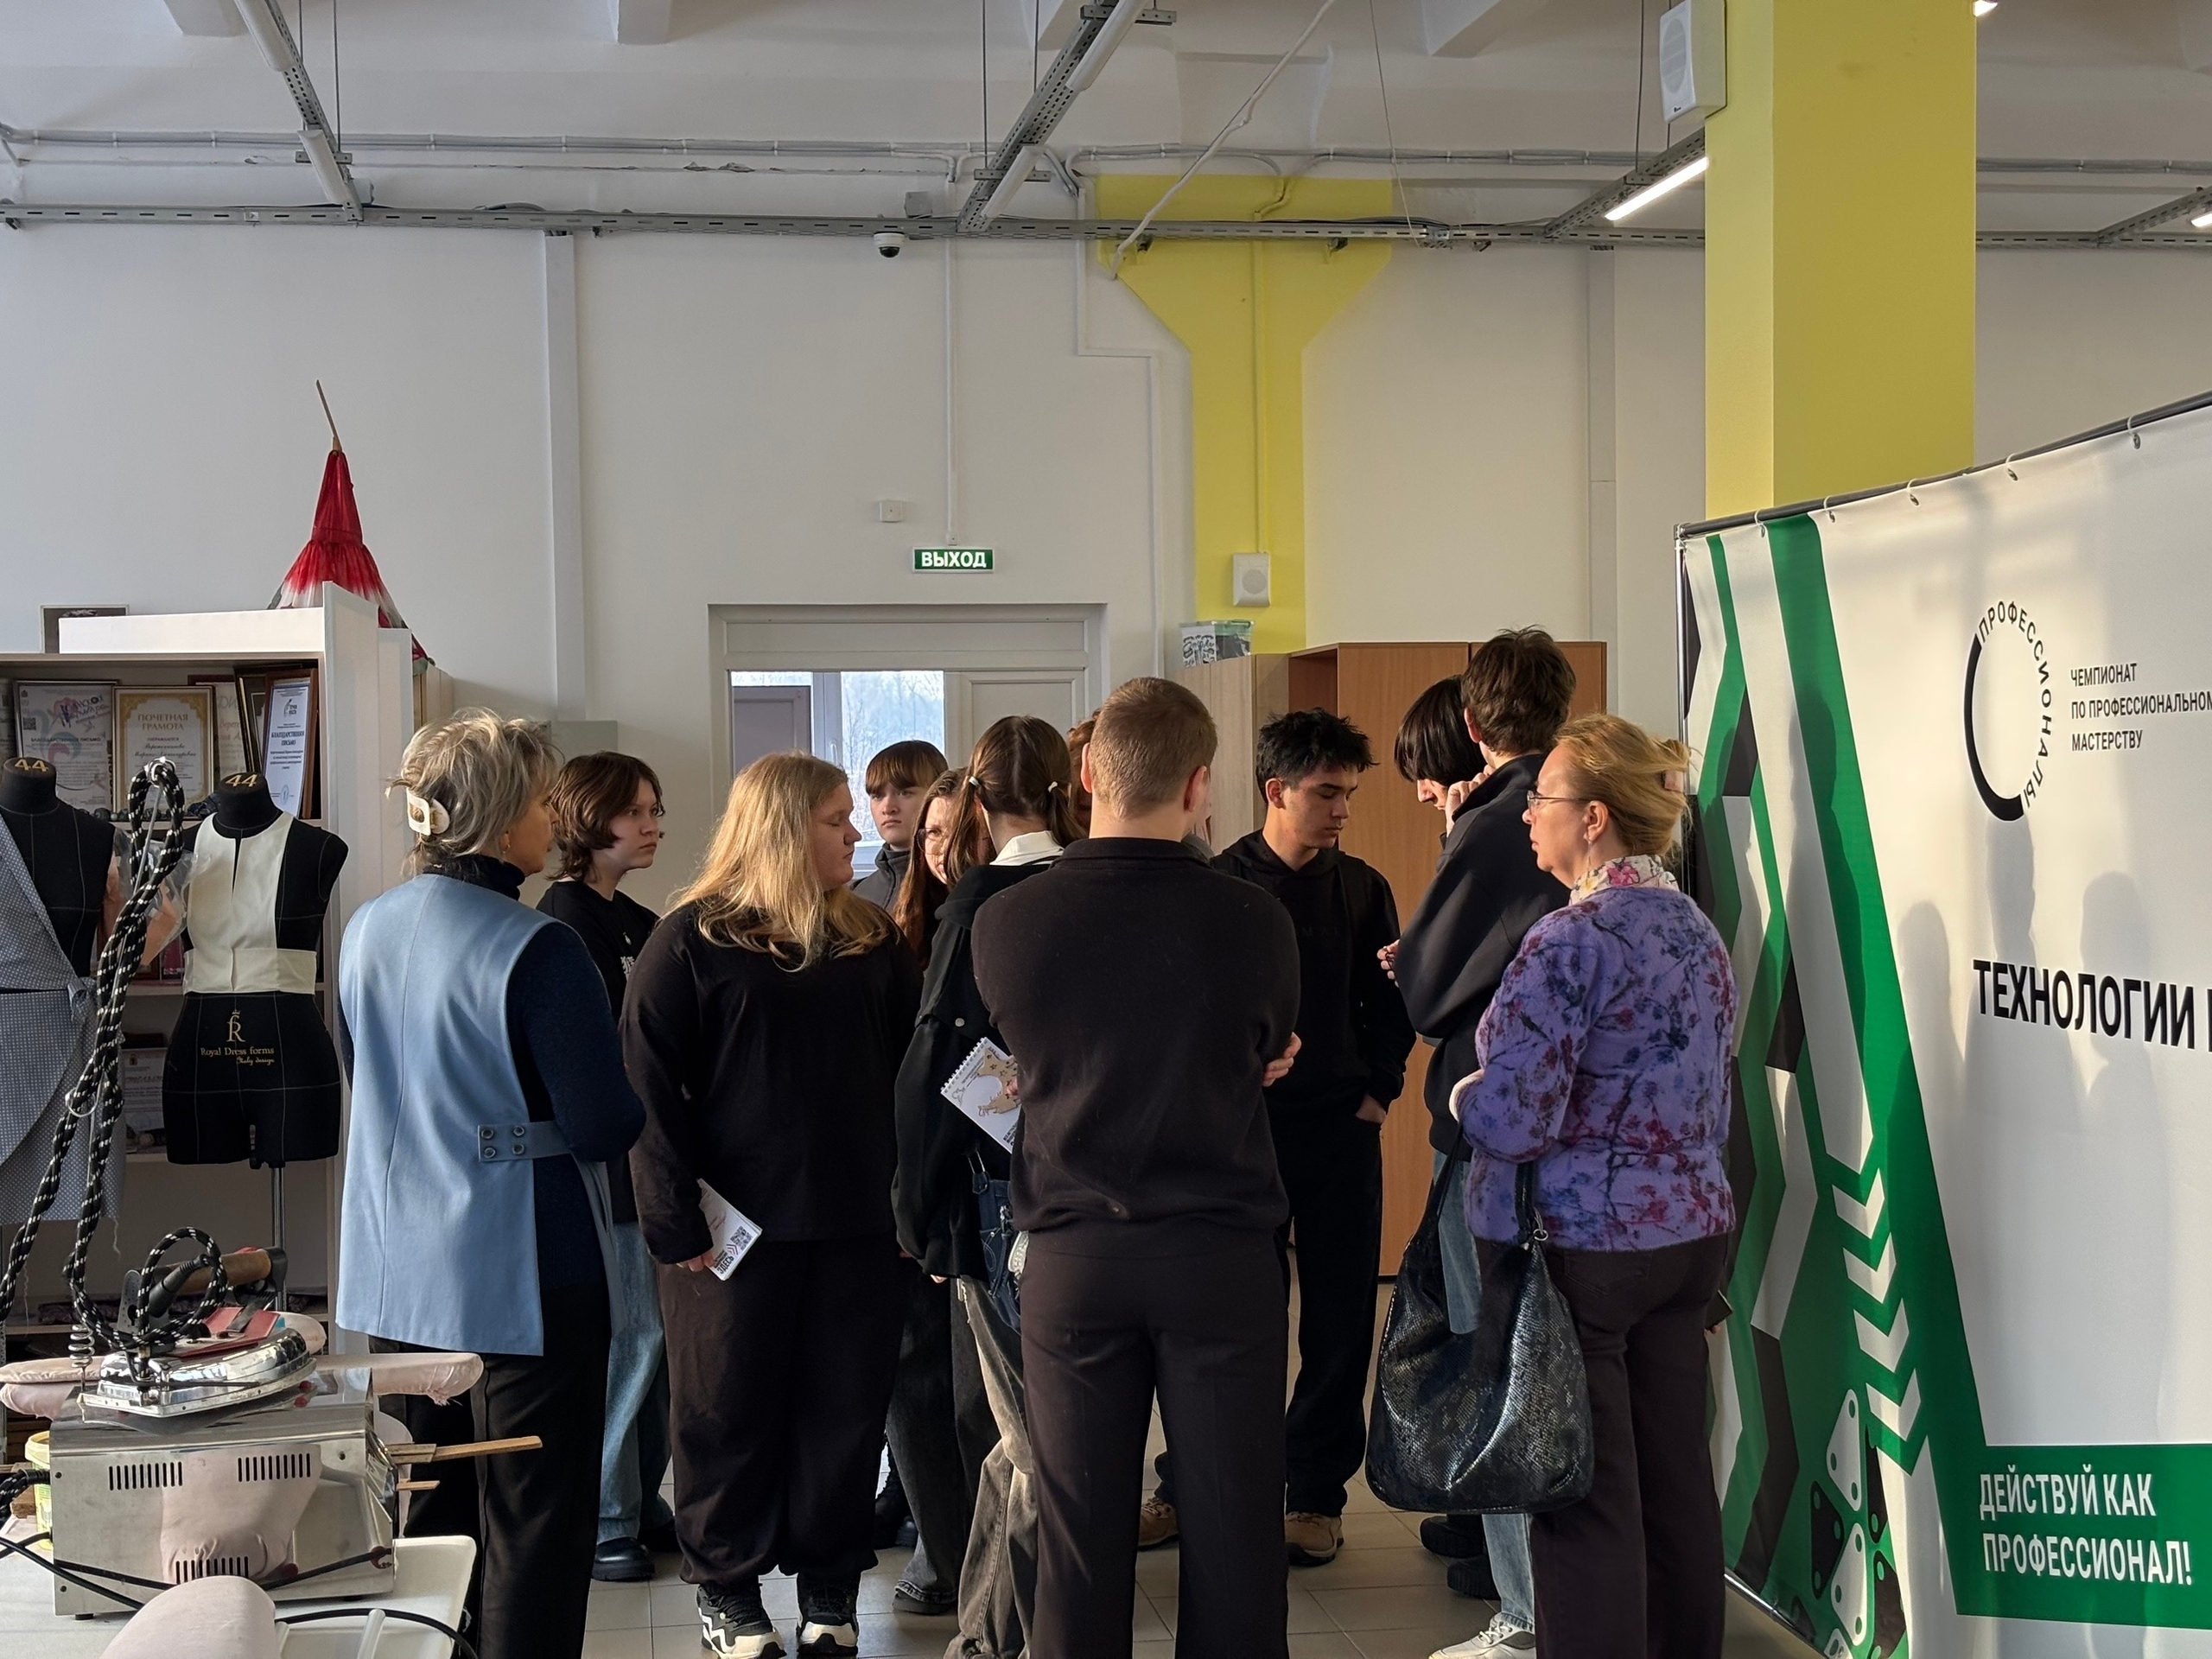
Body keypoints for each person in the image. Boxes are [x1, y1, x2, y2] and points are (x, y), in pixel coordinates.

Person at [972, 677, 1301, 1659]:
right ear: (1199, 785)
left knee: (1079, 1542)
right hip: (1218, 1254)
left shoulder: (1007, 922)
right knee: (1235, 1531)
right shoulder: (1255, 919)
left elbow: (1017, 1053)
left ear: (1086, 774)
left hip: (1074, 1257)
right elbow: (1266, 1043)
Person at [339, 710, 644, 1659]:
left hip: (396, 1270)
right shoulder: (538, 947)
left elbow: (366, 1077)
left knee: (429, 1517)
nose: (553, 819)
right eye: (542, 801)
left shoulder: (363, 930)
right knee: (535, 1527)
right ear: (504, 818)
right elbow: (602, 1125)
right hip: (528, 1267)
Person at [624, 753, 923, 1659]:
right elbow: (647, 1090)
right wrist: (671, 1219)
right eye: (837, 818)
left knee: (845, 1411)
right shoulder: (690, 941)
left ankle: (831, 1584)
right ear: (786, 828)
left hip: (858, 1224)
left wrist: (915, 1206)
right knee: (724, 1411)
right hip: (727, 1235)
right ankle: (728, 1589)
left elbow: (911, 1079)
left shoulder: (871, 940)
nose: (856, 832)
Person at [1455, 715, 1737, 1659]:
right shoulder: (1696, 931)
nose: (1526, 813)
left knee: (1586, 1498)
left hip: (1587, 1249)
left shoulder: (1568, 942)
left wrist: (1464, 1093)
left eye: (1543, 799)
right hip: (1689, 1240)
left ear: (1595, 817)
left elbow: (1516, 1117)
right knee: (1675, 1486)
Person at [1142, 709, 1414, 1569]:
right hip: (1236, 1139)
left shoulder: (1363, 887)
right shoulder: (1216, 884)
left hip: (1339, 1134)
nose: (1342, 810)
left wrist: (1378, 1093)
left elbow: (1392, 1003)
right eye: (1327, 793)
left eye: (1350, 794)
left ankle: (1315, 1495)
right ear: (1276, 790)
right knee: (1222, 1322)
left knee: (1338, 1320)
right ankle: (1190, 1486)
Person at [1389, 632, 1575, 1659]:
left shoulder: (1498, 822)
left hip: (1491, 1134)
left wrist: (1423, 943)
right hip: (1587, 1145)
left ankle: (1527, 1614)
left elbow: (1428, 993)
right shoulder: (1584, 810)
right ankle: (1567, 1601)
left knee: (1497, 1363)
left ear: (1469, 723)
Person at [893, 715, 1084, 1658]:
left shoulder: (979, 907)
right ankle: (984, 1635)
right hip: (1100, 1187)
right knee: (1028, 1438)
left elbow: (937, 1069)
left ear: (973, 799)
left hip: (1005, 1194)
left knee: (1029, 1441)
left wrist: (917, 1208)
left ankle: (990, 1640)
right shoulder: (1098, 885)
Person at [537, 751, 677, 1585]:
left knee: (657, 1346)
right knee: (633, 1339)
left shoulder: (636, 918)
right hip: (608, 1161)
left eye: (655, 810)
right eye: (636, 812)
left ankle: (642, 1500)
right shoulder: (563, 923)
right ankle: (608, 1517)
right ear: (590, 818)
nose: (652, 826)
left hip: (650, 1154)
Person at [890, 766, 979, 963]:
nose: (944, 848)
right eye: (935, 832)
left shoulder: (996, 911)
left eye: (959, 833)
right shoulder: (910, 916)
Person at [855, 740, 950, 907]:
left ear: (938, 795)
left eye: (904, 793)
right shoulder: (857, 896)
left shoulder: (956, 892)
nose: (888, 808)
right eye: (877, 796)